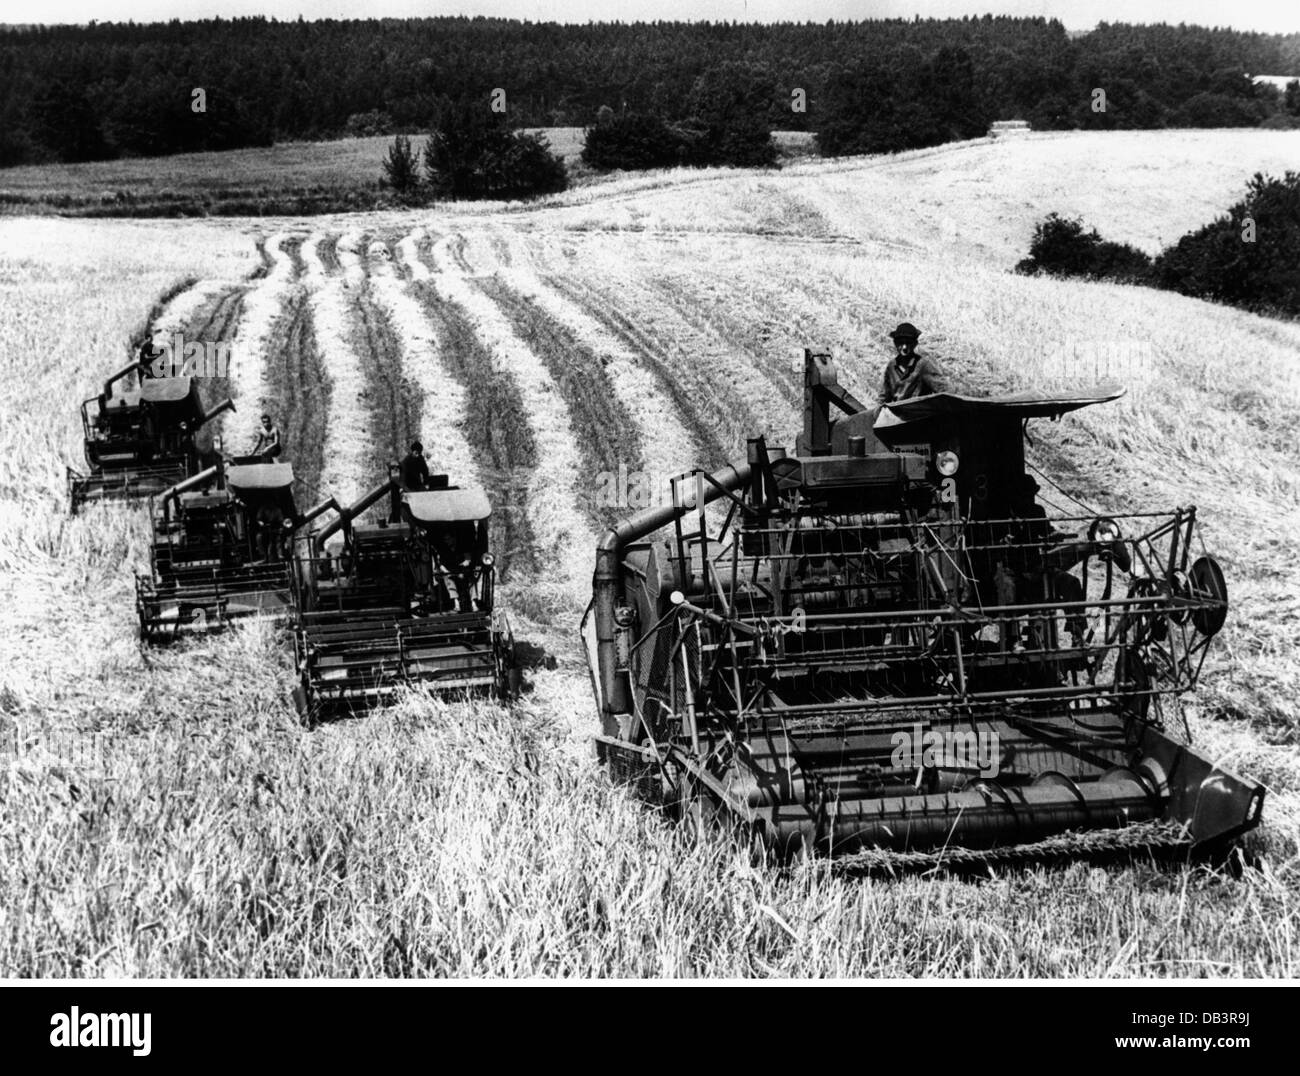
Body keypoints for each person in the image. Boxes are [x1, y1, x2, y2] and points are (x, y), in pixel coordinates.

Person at [880, 322, 946, 403]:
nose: (904, 347)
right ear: (895, 344)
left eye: (908, 343)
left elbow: (943, 388)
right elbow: (883, 397)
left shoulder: (923, 364)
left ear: (915, 344)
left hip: (918, 413)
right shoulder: (891, 366)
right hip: (896, 412)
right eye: (900, 342)